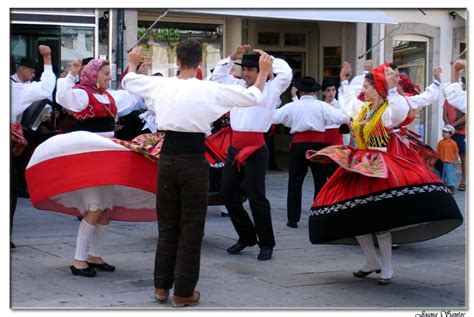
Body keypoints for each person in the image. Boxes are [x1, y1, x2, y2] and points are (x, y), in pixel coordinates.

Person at [122, 39, 273, 307]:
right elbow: (253, 97)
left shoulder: (162, 84)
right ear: (200, 63)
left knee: (168, 224)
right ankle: (182, 293)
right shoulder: (209, 89)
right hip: (193, 158)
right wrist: (262, 71)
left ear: (177, 61)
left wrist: (133, 63)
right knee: (191, 227)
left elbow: (128, 82)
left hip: (167, 157)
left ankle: (161, 287)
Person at [305, 62, 462, 286]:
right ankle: (372, 261)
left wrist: (390, 88)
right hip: (358, 166)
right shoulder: (362, 109)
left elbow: (399, 110)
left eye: (367, 87)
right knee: (356, 217)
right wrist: (344, 80)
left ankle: (387, 267)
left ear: (377, 90)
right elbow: (348, 101)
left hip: (379, 168)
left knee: (380, 220)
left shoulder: (387, 112)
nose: (364, 91)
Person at [32, 57, 144, 278]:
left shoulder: (109, 96)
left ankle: (94, 255)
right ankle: (78, 260)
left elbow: (133, 97)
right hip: (89, 159)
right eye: (105, 73)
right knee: (94, 207)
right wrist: (72, 74)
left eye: (109, 73)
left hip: (107, 158)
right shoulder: (82, 94)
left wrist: (134, 70)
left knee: (106, 209)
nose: (109, 77)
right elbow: (62, 96)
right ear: (93, 74)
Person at [211, 44, 292, 261]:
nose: (246, 73)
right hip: (234, 146)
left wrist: (268, 59)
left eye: (250, 69)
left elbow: (287, 73)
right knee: (227, 194)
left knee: (257, 198)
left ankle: (266, 243)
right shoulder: (236, 85)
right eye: (244, 69)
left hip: (256, 149)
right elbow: (216, 78)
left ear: (260, 71)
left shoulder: (272, 87)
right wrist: (231, 56)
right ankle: (246, 236)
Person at [272, 76, 349, 229]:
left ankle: (293, 219)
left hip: (298, 145)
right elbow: (341, 117)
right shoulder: (321, 105)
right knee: (320, 180)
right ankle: (317, 214)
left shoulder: (292, 106)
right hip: (318, 145)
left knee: (295, 181)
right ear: (314, 91)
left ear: (300, 91)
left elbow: (274, 117)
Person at [10, 45, 56, 249]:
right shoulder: (18, 88)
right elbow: (46, 88)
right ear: (21, 71)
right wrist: (47, 58)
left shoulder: (22, 88)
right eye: (31, 71)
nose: (33, 75)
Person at [443, 79, 466, 192]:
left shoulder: (465, 98)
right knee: (448, 158)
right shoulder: (448, 98)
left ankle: (464, 181)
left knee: (463, 157)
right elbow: (444, 113)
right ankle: (449, 182)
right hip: (450, 132)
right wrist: (449, 126)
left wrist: (453, 125)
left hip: (461, 132)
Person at [436, 125, 459, 194]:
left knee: (450, 175)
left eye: (445, 132)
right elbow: (437, 152)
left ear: (450, 134)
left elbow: (456, 152)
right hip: (442, 162)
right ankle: (443, 186)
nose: (443, 133)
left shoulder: (453, 143)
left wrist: (456, 161)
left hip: (450, 162)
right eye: (443, 131)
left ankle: (451, 187)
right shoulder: (440, 142)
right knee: (442, 175)